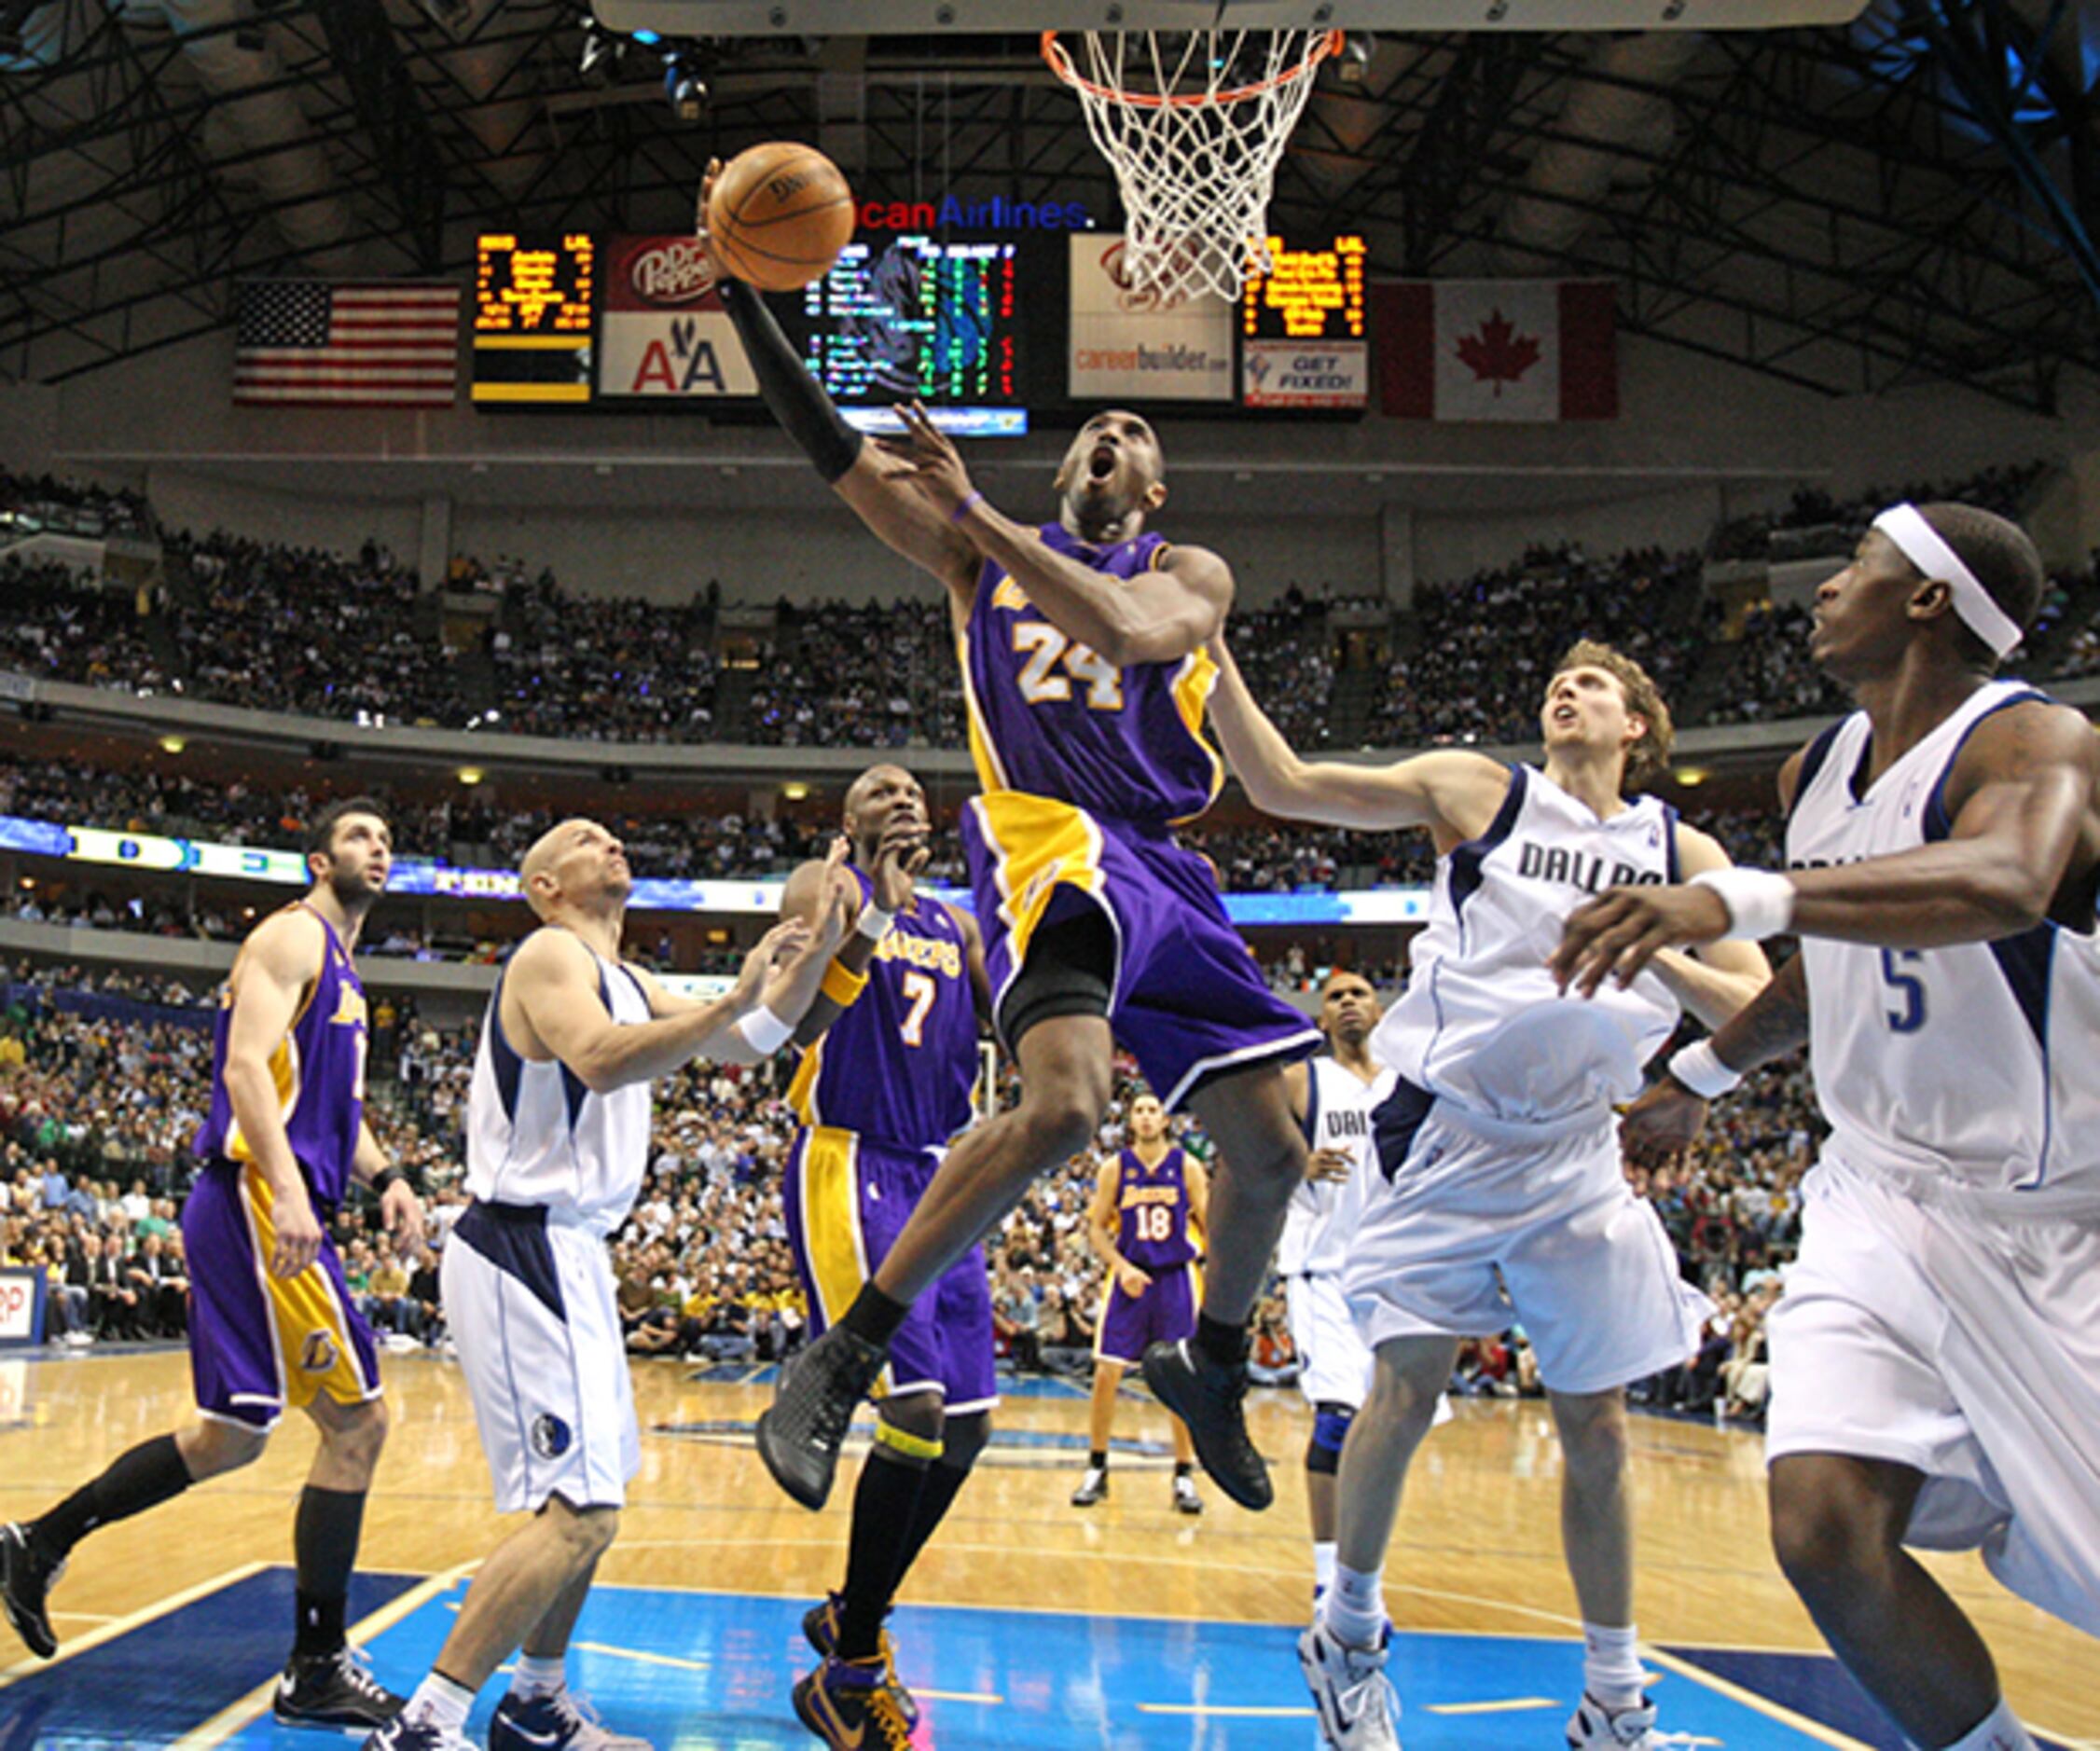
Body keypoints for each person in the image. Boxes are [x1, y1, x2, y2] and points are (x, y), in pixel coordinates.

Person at [704, 170, 1323, 1517]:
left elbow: (1131, 633)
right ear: (1065, 472)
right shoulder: (977, 561)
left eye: (1133, 427)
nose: (1111, 432)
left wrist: (978, 515)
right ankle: (844, 1350)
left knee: (1274, 1146)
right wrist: (748, 296)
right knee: (1061, 1105)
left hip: (1169, 865)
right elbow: (833, 454)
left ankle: (1212, 1363)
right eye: (1092, 425)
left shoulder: (1189, 572)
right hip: (1049, 837)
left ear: (1154, 481)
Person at [1554, 501, 2100, 1751]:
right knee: (1819, 1523)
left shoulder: (2030, 738)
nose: (1820, 587)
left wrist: (1742, 893)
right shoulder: (1817, 771)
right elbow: (1830, 969)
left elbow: (2008, 879)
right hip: (1880, 1195)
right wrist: (1701, 1066)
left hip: (2055, 1210)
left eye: (1855, 563)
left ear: (1928, 600)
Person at [1204, 635, 1771, 1750]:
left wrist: (1651, 945)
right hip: (1449, 1133)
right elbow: (1280, 784)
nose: (1565, 688)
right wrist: (1210, 646)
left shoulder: (1678, 846)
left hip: (1573, 1151)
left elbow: (1748, 1002)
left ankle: (1613, 1702)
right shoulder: (1481, 789)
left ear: (1636, 730)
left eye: (1594, 684)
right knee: (1403, 1391)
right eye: (1555, 677)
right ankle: (1347, 1637)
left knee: (1596, 1422)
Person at [365, 820, 850, 1751]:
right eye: (585, 839)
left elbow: (749, 1039)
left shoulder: (626, 978)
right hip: (521, 1243)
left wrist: (827, 932)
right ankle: (424, 1726)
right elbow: (599, 1056)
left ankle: (536, 1701)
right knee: (580, 1513)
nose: (612, 842)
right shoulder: (548, 953)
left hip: (572, 1250)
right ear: (544, 885)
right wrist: (726, 1001)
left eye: (614, 835)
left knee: (591, 1498)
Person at [2, 798, 425, 1730]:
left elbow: (329, 1112)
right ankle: (316, 1666)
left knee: (230, 1436)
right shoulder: (291, 937)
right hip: (253, 1197)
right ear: (318, 858)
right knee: (358, 1426)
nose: (377, 848)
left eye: (386, 839)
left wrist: (388, 1175)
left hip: (261, 1197)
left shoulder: (346, 972)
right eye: (359, 836)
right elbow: (243, 1071)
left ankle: (38, 1541)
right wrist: (286, 1187)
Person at [778, 764, 998, 1751]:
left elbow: (1013, 1018)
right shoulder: (825, 888)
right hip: (852, 1156)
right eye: (877, 790)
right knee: (907, 1406)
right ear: (846, 818)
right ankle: (852, 1664)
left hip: (942, 1169)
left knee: (966, 1426)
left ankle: (850, 1614)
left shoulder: (955, 923)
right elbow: (795, 1024)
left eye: (913, 790)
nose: (901, 797)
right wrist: (866, 917)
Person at [1273, 970, 1446, 1606]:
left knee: (1393, 1427)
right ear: (1321, 1019)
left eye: (1358, 995)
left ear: (1381, 1009)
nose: (1347, 1004)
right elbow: (1247, 1152)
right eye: (1335, 998)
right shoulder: (1302, 1081)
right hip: (1325, 1272)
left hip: (1399, 1273)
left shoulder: (1413, 1082)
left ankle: (1361, 1571)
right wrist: (1298, 1160)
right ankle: (1329, 1580)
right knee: (1337, 1423)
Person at [1071, 1093, 1207, 1515]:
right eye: (1139, 1111)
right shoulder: (1115, 1168)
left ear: (1166, 1119)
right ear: (1130, 1121)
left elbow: (1209, 1223)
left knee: (1180, 1379)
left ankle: (1184, 1472)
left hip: (1176, 1280)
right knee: (1107, 1372)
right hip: (1129, 1278)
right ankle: (1097, 1466)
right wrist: (1121, 1266)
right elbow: (1095, 1229)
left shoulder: (1187, 1166)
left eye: (1153, 1110)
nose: (1146, 1118)